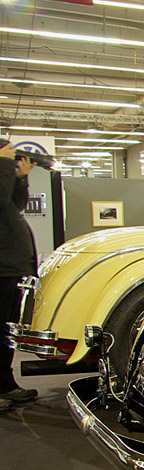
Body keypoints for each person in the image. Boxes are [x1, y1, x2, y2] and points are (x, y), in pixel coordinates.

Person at [0, 143, 40, 409]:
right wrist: (4, 164)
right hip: (3, 268)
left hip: (11, 267)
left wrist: (21, 178)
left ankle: (5, 385)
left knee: (6, 331)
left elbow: (14, 205)